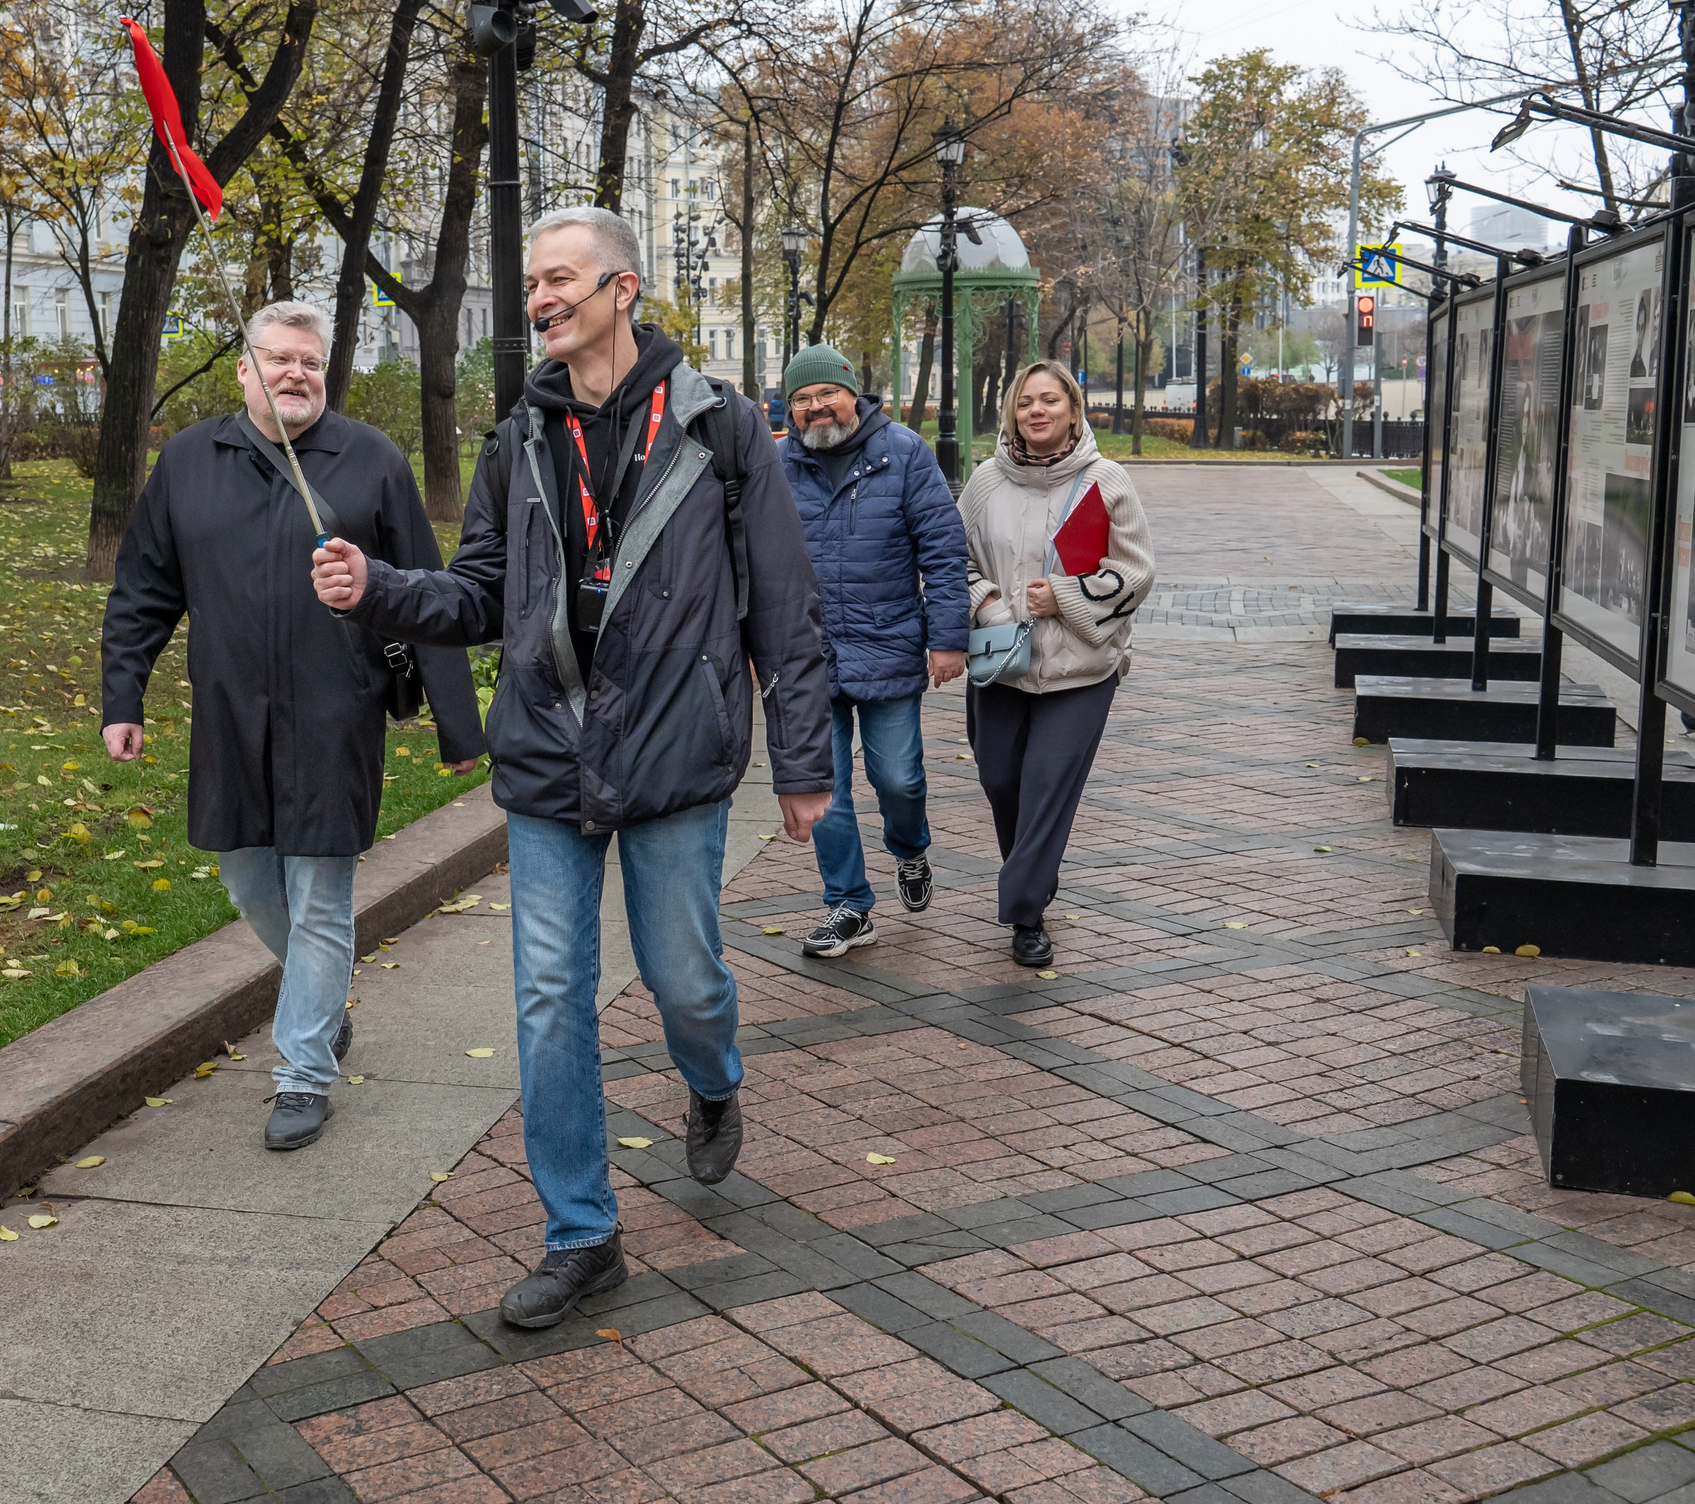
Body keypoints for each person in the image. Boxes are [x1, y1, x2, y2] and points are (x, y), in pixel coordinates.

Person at [310, 206, 833, 1331]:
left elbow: (784, 603)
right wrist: (382, 588)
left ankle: (711, 1076)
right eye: (532, 283)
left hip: (675, 751)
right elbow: (480, 594)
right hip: (550, 754)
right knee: (550, 1001)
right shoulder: (519, 439)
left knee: (685, 979)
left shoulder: (719, 428)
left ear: (621, 290)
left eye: (559, 280)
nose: (538, 298)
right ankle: (581, 1235)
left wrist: (800, 759)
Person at [102, 301, 485, 1152]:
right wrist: (123, 698)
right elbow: (141, 592)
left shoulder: (370, 460)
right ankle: (320, 1000)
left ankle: (303, 1069)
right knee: (246, 878)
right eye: (278, 359)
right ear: (244, 368)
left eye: (310, 362)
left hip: (334, 711)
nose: (295, 374)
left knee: (320, 893)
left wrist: (459, 726)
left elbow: (431, 589)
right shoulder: (191, 462)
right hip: (229, 711)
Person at [776, 345, 968, 957]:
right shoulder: (776, 464)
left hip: (888, 643)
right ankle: (850, 906)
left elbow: (942, 551)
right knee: (822, 788)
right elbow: (750, 559)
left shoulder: (904, 453)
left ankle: (910, 851)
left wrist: (947, 638)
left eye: (824, 394)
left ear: (852, 393)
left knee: (899, 778)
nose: (814, 408)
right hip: (806, 657)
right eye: (800, 400)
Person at [960, 360, 1153, 968]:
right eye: (1025, 403)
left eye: (1049, 400)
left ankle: (1025, 911)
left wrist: (1064, 597)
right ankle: (1032, 883)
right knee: (1000, 780)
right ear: (1012, 413)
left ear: (1072, 409)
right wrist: (989, 606)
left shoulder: (1107, 481)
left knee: (1046, 784)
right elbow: (948, 563)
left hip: (1082, 668)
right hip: (1002, 662)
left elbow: (1136, 572)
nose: (1036, 411)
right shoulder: (985, 482)